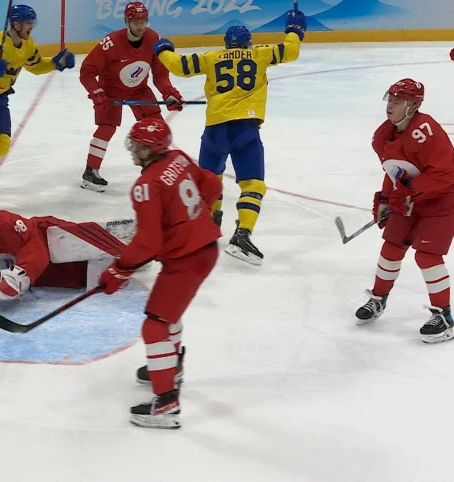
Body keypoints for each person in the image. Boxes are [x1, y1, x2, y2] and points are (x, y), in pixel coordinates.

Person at [152, 10, 306, 266]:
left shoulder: (212, 58)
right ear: (249, 44)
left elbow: (179, 66)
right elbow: (291, 51)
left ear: (226, 45)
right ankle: (242, 234)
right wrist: (294, 31)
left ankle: (208, 226)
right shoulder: (260, 54)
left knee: (210, 180)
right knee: (253, 184)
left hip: (214, 131)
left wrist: (163, 50)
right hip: (245, 130)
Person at [99, 118, 222, 429]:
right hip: (204, 250)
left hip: (186, 260)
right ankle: (172, 367)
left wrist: (119, 269)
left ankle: (166, 403)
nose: (133, 150)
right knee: (169, 314)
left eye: (138, 146)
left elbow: (148, 242)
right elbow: (212, 185)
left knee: (155, 326)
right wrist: (196, 222)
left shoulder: (146, 187)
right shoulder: (178, 158)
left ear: (151, 149)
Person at [355, 78, 454, 344]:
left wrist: (408, 189)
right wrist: (385, 198)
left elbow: (446, 175)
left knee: (427, 256)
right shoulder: (383, 135)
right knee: (391, 247)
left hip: (442, 198)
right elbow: (394, 170)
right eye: (390, 99)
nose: (390, 105)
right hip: (411, 197)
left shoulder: (427, 131)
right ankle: (378, 299)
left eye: (397, 101)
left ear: (412, 106)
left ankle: (444, 316)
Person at [0, 4, 75, 195]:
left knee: (2, 144)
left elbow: (35, 66)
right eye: (28, 23)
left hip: (1, 97)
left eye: (33, 22)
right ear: (16, 24)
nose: (32, 26)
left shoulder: (28, 44)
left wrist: (55, 63)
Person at [78, 1, 183, 192]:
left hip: (139, 90)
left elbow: (160, 75)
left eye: (143, 22)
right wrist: (97, 92)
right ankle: (90, 173)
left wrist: (169, 93)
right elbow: (86, 71)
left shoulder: (154, 39)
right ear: (126, 22)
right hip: (110, 92)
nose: (140, 26)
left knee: (157, 126)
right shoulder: (111, 43)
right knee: (106, 128)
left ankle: (157, 171)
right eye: (136, 22)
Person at [0, 202, 128, 301]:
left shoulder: (3, 222)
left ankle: (126, 252)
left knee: (71, 246)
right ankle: (111, 265)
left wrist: (20, 274)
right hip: (41, 275)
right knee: (76, 277)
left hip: (44, 236)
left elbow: (35, 244)